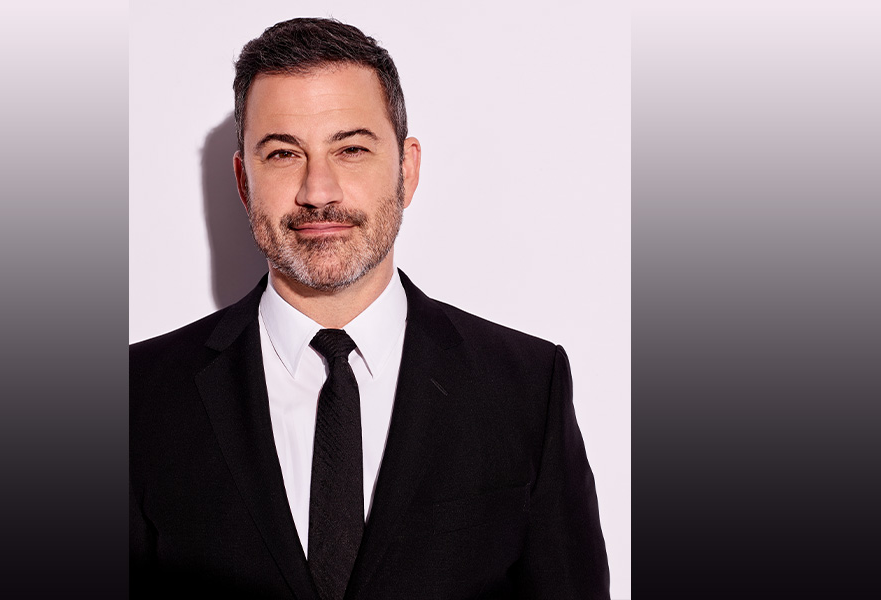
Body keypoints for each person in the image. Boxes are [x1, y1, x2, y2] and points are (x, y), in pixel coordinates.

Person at [130, 17, 610, 599]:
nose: (318, 191)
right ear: (242, 181)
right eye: (283, 154)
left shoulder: (526, 387)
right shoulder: (139, 395)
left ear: (406, 171)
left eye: (351, 149)